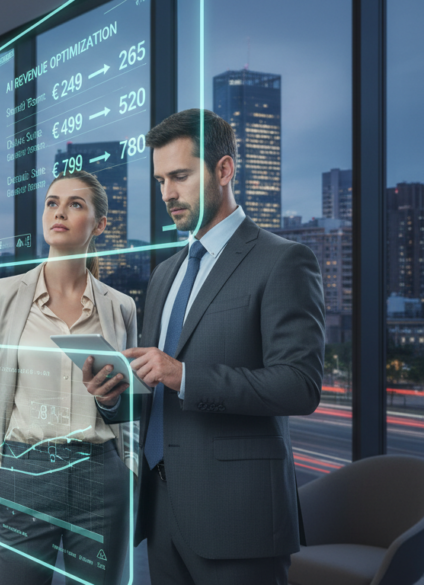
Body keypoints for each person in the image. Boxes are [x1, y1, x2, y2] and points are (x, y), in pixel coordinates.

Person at [88, 108, 325, 584]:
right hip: (162, 512)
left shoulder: (283, 261)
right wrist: (113, 397)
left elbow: (300, 385)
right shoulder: (164, 276)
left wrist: (184, 375)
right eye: (159, 181)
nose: (167, 194)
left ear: (224, 170)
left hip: (238, 517)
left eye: (180, 176)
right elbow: (156, 390)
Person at [0, 170, 137, 585]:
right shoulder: (3, 296)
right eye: (52, 202)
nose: (59, 212)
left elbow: (130, 405)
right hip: (25, 473)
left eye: (76, 204)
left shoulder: (121, 307)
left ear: (99, 223)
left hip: (101, 480)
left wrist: (128, 469)